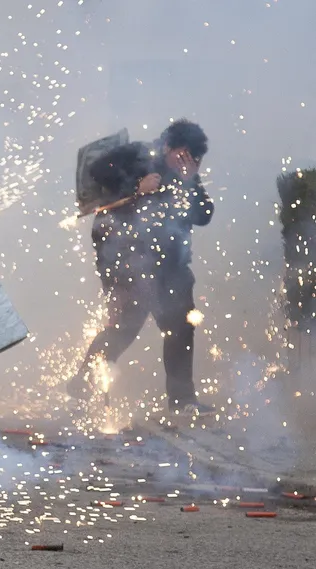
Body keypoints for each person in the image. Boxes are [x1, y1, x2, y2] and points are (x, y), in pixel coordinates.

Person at [68, 119, 214, 415]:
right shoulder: (137, 154)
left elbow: (204, 215)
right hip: (128, 263)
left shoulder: (188, 176)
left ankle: (182, 400)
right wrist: (137, 186)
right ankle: (82, 381)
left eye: (193, 159)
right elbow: (98, 172)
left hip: (172, 265)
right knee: (124, 327)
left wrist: (189, 181)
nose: (186, 162)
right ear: (167, 146)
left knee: (180, 328)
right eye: (182, 154)